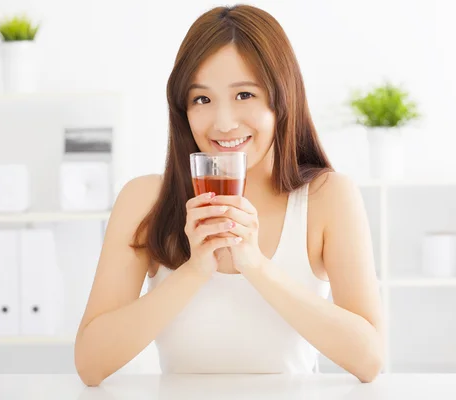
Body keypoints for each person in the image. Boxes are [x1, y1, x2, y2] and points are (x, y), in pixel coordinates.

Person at [74, 4, 384, 386]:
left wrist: (254, 263)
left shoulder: (327, 197)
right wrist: (194, 270)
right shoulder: (145, 200)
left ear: (281, 97)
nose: (223, 123)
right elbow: (90, 363)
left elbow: (369, 359)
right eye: (201, 99)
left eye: (244, 95)